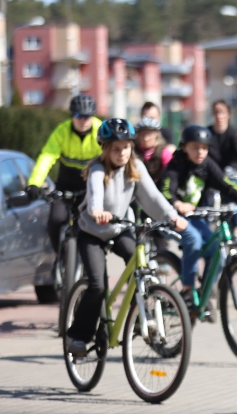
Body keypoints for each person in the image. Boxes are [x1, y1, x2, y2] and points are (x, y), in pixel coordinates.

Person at [64, 118, 188, 355]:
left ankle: (140, 316)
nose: (122, 153)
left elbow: (153, 198)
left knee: (139, 265)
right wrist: (97, 212)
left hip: (120, 227)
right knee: (98, 285)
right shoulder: (97, 170)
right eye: (116, 149)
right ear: (106, 149)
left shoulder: (136, 167)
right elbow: (95, 196)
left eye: (126, 147)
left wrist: (172, 216)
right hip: (92, 231)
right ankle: (77, 335)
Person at [158, 124, 237, 308]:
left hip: (195, 217)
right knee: (193, 240)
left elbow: (225, 184)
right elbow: (166, 190)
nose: (200, 152)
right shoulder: (176, 164)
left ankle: (204, 291)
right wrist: (177, 204)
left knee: (217, 250)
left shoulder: (207, 164)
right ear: (184, 147)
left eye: (204, 148)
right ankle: (187, 290)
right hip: (172, 218)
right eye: (195, 147)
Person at [26, 94, 103, 251]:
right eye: (78, 115)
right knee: (55, 219)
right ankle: (57, 256)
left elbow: (110, 159)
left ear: (93, 116)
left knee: (92, 225)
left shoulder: (100, 131)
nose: (83, 120)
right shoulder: (62, 131)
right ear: (72, 115)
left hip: (90, 186)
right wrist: (35, 182)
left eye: (87, 116)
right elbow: (47, 157)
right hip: (65, 184)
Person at [207, 100, 237, 176]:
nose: (219, 116)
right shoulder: (207, 133)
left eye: (222, 112)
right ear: (212, 114)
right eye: (216, 112)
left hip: (231, 172)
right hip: (211, 172)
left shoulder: (234, 133)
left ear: (228, 114)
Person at [135, 116, 175, 181]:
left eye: (149, 134)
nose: (146, 138)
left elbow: (169, 174)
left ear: (156, 135)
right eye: (142, 134)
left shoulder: (163, 152)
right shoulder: (133, 152)